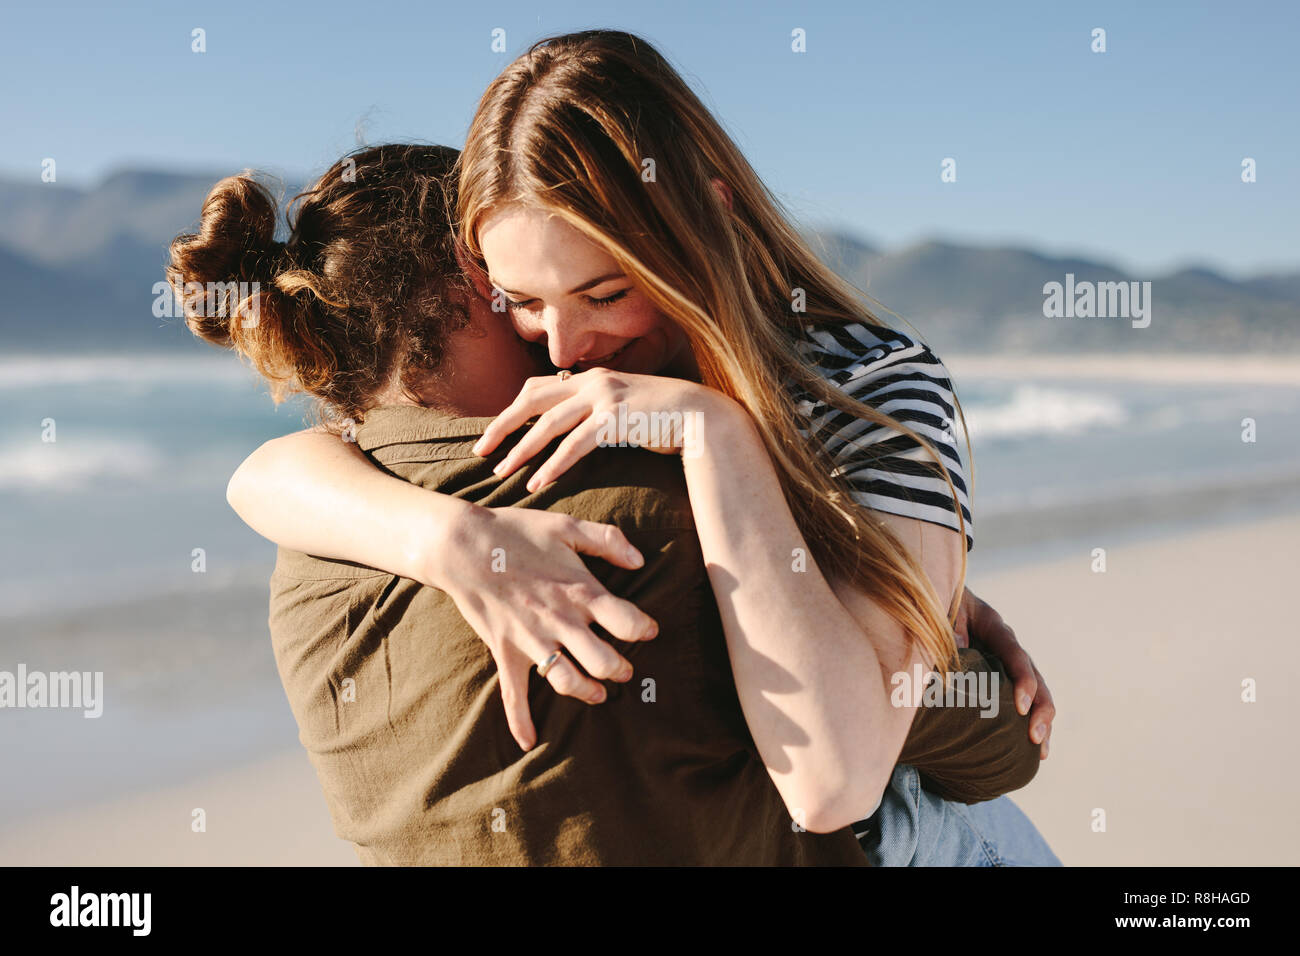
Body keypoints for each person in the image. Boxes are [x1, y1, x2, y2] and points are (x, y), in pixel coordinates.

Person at [228, 31, 1061, 864]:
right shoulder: (553, 382)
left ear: (708, 216)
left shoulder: (868, 385)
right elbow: (265, 476)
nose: (561, 346)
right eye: (520, 299)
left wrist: (715, 434)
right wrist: (454, 541)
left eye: (604, 293)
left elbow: (833, 782)